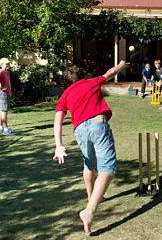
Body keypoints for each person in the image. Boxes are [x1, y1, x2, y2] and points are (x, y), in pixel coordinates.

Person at [53, 60, 127, 234]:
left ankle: (91, 197)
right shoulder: (90, 82)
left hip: (80, 130)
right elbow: (110, 73)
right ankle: (89, 211)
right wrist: (122, 65)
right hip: (97, 123)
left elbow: (58, 118)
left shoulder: (65, 95)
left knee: (89, 164)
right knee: (108, 168)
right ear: (82, 76)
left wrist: (58, 145)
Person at [0, 57, 18, 135]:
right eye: (6, 63)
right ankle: (5, 129)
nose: (8, 65)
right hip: (3, 94)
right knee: (4, 111)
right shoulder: (1, 71)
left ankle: (1, 127)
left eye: (8, 63)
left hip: (5, 93)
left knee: (1, 111)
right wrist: (0, 88)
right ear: (1, 64)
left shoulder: (6, 72)